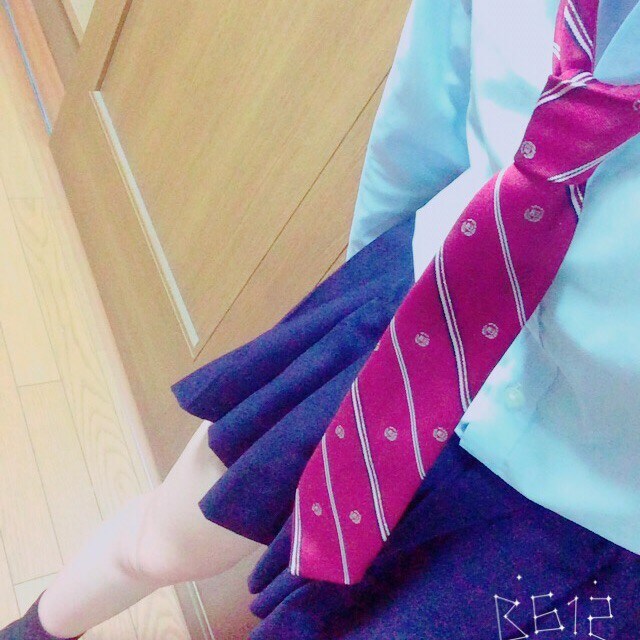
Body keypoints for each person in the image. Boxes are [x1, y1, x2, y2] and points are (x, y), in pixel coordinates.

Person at [3, 0, 640, 638]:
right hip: (406, 320)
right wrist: (354, 309)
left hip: (589, 503)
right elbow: (423, 120)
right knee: (161, 541)